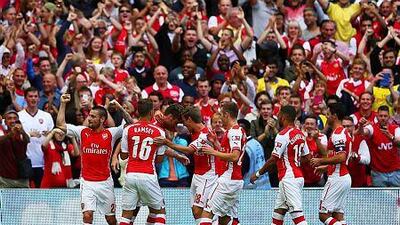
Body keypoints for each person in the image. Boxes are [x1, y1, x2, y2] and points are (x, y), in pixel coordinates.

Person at [56, 93, 132, 225]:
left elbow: (129, 124)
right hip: (87, 183)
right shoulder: (82, 131)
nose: (88, 119)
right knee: (87, 216)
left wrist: (119, 107)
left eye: (92, 116)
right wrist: (62, 104)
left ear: (102, 119)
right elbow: (60, 125)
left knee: (111, 219)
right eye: (89, 115)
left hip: (105, 184)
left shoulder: (111, 133)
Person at [155, 106, 218, 224]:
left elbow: (188, 150)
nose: (183, 125)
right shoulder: (194, 129)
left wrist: (167, 142)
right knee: (196, 212)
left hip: (207, 176)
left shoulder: (204, 135)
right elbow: (172, 124)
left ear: (189, 119)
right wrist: (160, 115)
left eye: (184, 122)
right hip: (197, 175)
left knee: (199, 210)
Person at [251, 105, 310, 225]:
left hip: (289, 178)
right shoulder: (300, 134)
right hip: (296, 177)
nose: (277, 116)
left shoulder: (283, 135)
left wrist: (257, 174)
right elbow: (307, 157)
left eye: (279, 114)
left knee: (298, 215)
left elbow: (273, 159)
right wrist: (294, 162)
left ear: (284, 116)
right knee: (278, 213)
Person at [119, 99, 167, 225]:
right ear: (152, 112)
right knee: (160, 212)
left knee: (126, 215)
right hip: (148, 174)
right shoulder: (159, 132)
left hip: (130, 175)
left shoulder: (128, 130)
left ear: (138, 111)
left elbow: (123, 156)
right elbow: (160, 159)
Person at [198, 102, 246, 225]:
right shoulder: (237, 130)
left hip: (228, 179)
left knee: (206, 213)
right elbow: (227, 153)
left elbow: (235, 156)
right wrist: (216, 143)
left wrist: (212, 152)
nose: (220, 118)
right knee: (224, 217)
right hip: (234, 179)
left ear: (227, 115)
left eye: (221, 115)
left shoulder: (234, 132)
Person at [310, 103, 352, 225]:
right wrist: (326, 167)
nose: (326, 116)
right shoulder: (339, 132)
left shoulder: (338, 134)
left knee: (323, 215)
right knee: (338, 215)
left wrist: (320, 161)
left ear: (334, 116)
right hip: (342, 176)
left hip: (337, 178)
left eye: (328, 114)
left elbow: (341, 157)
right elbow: (332, 155)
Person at [18, 87, 54, 188]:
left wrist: (50, 134)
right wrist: (29, 134)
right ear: (25, 98)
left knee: (42, 194)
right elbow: (16, 138)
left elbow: (52, 137)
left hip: (43, 162)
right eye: (30, 96)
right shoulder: (19, 116)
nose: (33, 99)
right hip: (26, 161)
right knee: (27, 195)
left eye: (35, 96)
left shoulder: (47, 116)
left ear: (39, 98)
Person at [358, 105, 400, 187]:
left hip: (395, 171)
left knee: (396, 199)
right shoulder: (372, 128)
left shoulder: (396, 128)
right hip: (378, 173)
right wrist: (360, 126)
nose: (383, 118)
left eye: (385, 116)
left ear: (389, 117)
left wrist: (390, 136)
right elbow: (363, 132)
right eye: (381, 116)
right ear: (377, 116)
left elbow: (399, 142)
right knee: (379, 199)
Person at [0, 110, 30, 188]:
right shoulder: (3, 132)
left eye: (15, 118)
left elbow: (27, 140)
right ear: (5, 122)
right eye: (9, 118)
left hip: (22, 178)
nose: (13, 121)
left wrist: (22, 131)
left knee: (25, 200)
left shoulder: (21, 134)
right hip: (6, 178)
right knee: (6, 200)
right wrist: (11, 134)